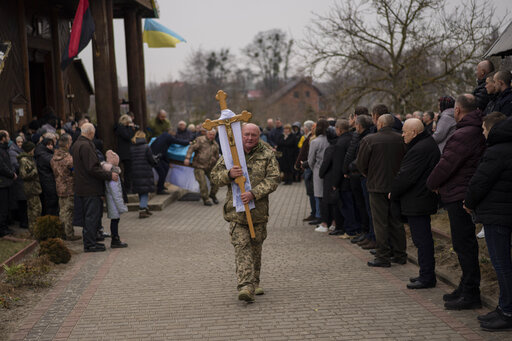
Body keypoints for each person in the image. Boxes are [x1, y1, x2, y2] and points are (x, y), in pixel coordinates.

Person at [426, 94, 486, 310]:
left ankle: (471, 292)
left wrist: (431, 182)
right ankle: (466, 286)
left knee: (464, 245)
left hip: (459, 193)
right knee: (462, 244)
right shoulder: (474, 129)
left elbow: (447, 163)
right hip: (459, 190)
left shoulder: (464, 134)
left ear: (458, 111)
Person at [211, 123, 280, 302]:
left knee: (256, 249)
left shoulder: (267, 154)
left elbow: (273, 179)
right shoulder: (231, 155)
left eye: (254, 135)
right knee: (242, 248)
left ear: (259, 137)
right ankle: (245, 286)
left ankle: (254, 282)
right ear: (241, 135)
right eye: (247, 134)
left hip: (258, 212)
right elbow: (214, 176)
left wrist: (253, 193)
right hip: (236, 212)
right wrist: (228, 174)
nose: (250, 138)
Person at [464, 113, 512, 331]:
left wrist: (469, 201)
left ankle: (508, 310)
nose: (482, 133)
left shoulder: (496, 151)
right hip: (503, 210)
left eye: (484, 129)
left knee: (501, 264)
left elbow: (481, 181)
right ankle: (503, 307)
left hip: (497, 213)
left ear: (492, 129)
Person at [390, 119, 440, 289]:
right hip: (419, 199)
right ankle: (425, 274)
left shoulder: (420, 148)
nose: (402, 134)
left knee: (422, 240)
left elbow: (406, 175)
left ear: (415, 132)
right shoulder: (424, 144)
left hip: (418, 200)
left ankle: (427, 277)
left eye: (405, 131)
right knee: (421, 239)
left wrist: (393, 192)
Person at [357, 114, 407, 267]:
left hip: (376, 186)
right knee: (396, 221)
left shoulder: (369, 140)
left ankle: (383, 256)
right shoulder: (401, 139)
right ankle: (400, 254)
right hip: (396, 185)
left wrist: (368, 174)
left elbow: (360, 164)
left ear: (379, 124)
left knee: (380, 222)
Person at [70, 123, 116, 252]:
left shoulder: (77, 144)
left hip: (82, 185)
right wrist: (108, 175)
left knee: (88, 216)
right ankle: (90, 244)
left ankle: (90, 241)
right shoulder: (86, 145)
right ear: (90, 133)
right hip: (90, 187)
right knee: (91, 216)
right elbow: (92, 168)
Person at [332, 119, 361, 238]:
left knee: (346, 206)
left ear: (339, 129)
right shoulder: (353, 138)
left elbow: (338, 164)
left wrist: (335, 182)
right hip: (353, 176)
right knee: (354, 205)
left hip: (344, 180)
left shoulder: (340, 143)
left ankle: (350, 230)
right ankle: (356, 228)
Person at [50, 134, 80, 241]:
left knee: (62, 211)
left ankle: (62, 232)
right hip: (69, 187)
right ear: (67, 144)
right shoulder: (68, 158)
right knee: (69, 211)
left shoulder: (54, 157)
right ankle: (68, 233)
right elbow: (75, 172)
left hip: (59, 186)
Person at [184, 129, 220, 206]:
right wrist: (187, 158)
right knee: (203, 184)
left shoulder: (215, 144)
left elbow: (217, 156)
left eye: (213, 135)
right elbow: (191, 148)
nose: (212, 136)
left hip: (210, 167)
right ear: (206, 134)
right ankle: (206, 199)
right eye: (210, 134)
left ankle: (212, 195)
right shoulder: (200, 140)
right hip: (199, 166)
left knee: (216, 182)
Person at [150, 129, 190, 195]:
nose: (175, 136)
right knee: (162, 173)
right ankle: (159, 190)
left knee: (166, 167)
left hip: (158, 156)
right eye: (174, 134)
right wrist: (188, 142)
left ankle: (161, 186)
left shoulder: (163, 136)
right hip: (155, 158)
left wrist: (168, 162)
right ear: (172, 133)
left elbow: (164, 151)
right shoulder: (169, 137)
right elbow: (178, 142)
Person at [102, 150, 128, 248]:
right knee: (115, 220)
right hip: (114, 202)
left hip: (112, 201)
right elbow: (115, 192)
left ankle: (115, 238)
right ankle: (115, 239)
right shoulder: (113, 175)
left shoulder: (110, 171)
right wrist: (121, 206)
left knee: (115, 220)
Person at [307, 119, 330, 227]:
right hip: (330, 170)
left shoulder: (315, 142)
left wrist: (313, 169)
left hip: (318, 170)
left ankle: (322, 220)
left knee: (320, 196)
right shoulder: (331, 140)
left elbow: (310, 159)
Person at [130, 131, 157, 219]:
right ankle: (142, 209)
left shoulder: (132, 147)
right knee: (145, 191)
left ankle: (145, 207)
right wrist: (155, 161)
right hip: (145, 171)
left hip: (135, 171)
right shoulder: (146, 147)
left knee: (141, 190)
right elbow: (150, 159)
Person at [18, 141, 42, 234]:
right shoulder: (24, 160)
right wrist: (35, 172)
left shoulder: (29, 158)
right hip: (31, 188)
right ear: (29, 150)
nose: (34, 151)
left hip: (34, 187)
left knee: (34, 209)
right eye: (32, 149)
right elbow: (24, 175)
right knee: (35, 210)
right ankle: (34, 230)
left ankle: (34, 229)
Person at [295, 120, 316, 221]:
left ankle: (315, 213)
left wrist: (298, 165)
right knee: (311, 191)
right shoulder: (308, 137)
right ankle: (315, 212)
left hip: (309, 167)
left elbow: (304, 153)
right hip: (307, 166)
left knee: (311, 191)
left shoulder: (310, 138)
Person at [35, 137, 59, 216]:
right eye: (48, 145)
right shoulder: (44, 155)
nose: (50, 146)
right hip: (48, 182)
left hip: (47, 181)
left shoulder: (43, 153)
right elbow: (52, 163)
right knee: (51, 203)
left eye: (52, 144)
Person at [9, 135, 28, 229]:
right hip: (19, 180)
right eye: (18, 142)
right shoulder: (13, 152)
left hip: (22, 180)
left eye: (22, 142)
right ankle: (22, 222)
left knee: (23, 202)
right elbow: (16, 165)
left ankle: (23, 221)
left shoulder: (21, 151)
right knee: (22, 202)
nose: (20, 144)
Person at [0, 130, 17, 237]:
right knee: (3, 206)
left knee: (6, 206)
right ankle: (2, 228)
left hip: (5, 182)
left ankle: (4, 226)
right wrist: (12, 174)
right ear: (3, 138)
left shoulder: (4, 149)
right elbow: (2, 167)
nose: (9, 138)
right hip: (2, 183)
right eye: (8, 136)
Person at [114, 114, 136, 194]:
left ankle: (129, 187)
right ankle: (127, 188)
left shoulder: (125, 128)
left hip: (127, 152)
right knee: (127, 172)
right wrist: (130, 128)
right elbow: (128, 136)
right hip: (125, 153)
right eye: (129, 122)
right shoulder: (121, 128)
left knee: (128, 171)